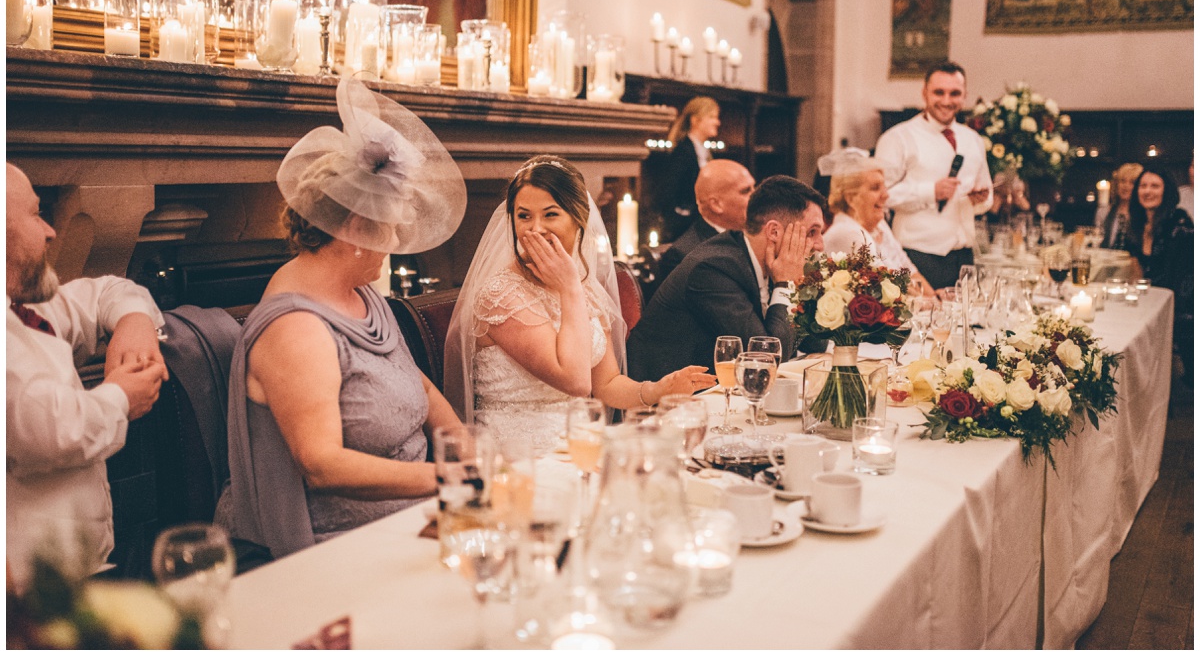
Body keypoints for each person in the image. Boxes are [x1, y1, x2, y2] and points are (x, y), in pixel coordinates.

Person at [222, 79, 467, 559]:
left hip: (416, 517)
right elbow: (322, 464)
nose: (395, 239)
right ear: (354, 228)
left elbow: (411, 379)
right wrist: (447, 478)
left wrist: (460, 441)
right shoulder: (296, 329)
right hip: (336, 545)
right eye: (389, 226)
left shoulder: (361, 294)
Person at [445, 156, 714, 453]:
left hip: (580, 440)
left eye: (550, 215)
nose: (535, 229)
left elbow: (606, 384)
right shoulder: (501, 294)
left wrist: (657, 389)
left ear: (578, 219)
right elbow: (575, 382)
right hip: (520, 453)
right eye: (524, 216)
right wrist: (569, 287)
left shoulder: (583, 286)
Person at [6, 162, 168, 592]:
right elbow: (49, 429)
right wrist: (121, 397)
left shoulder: (25, 308)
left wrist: (135, 322)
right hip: (28, 591)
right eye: (36, 215)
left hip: (78, 568)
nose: (50, 231)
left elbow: (105, 291)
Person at [627, 176, 826, 381]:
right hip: (670, 402)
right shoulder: (714, 268)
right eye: (812, 232)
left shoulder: (776, 263)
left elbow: (816, 342)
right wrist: (786, 284)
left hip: (724, 393)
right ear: (774, 231)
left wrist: (801, 282)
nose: (820, 244)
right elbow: (764, 359)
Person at [874, 62, 993, 289]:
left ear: (964, 96)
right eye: (939, 92)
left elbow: (987, 196)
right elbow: (879, 196)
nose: (947, 101)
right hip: (917, 255)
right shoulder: (898, 138)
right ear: (924, 93)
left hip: (964, 255)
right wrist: (930, 192)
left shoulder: (973, 140)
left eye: (955, 93)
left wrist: (980, 199)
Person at [818, 149, 934, 296]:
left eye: (884, 187)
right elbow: (886, 292)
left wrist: (936, 300)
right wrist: (928, 304)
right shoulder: (847, 233)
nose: (886, 195)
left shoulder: (880, 226)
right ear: (851, 198)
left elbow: (909, 271)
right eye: (875, 188)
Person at [657, 159, 755, 283]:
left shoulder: (756, 238)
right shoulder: (684, 256)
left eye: (754, 188)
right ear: (716, 205)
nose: (756, 196)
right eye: (746, 191)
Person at [657, 96, 722, 240]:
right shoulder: (683, 151)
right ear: (695, 120)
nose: (717, 122)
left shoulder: (705, 151)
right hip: (685, 231)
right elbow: (667, 193)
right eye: (712, 117)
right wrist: (682, 219)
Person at [1124, 163, 1193, 296]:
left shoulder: (1180, 227)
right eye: (1143, 186)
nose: (1147, 191)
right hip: (1144, 298)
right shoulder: (1137, 225)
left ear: (1166, 191)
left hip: (1174, 305)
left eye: (1155, 186)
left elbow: (1184, 283)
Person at [1095, 162, 1143, 249]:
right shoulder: (1104, 212)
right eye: (1123, 181)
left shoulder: (1144, 214)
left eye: (1132, 182)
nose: (1126, 186)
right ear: (1117, 184)